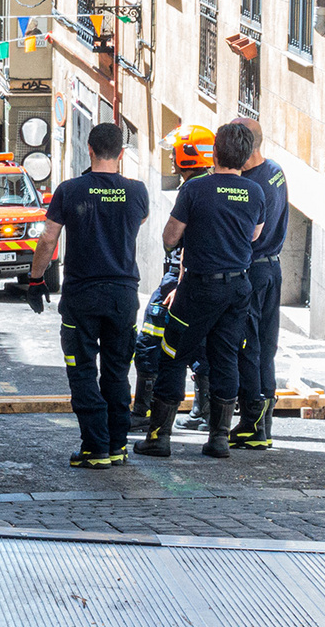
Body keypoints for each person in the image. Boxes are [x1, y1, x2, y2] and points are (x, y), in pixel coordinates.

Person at [136, 122, 264, 460]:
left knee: (173, 352)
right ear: (245, 156)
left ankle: (159, 436)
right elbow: (254, 235)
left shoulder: (195, 190)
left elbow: (170, 237)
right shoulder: (255, 192)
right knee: (225, 358)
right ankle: (219, 438)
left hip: (199, 287)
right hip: (238, 286)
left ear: (215, 154)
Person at [26, 122, 149, 468]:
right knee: (117, 371)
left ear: (90, 151)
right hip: (123, 294)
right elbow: (137, 222)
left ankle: (95, 447)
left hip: (83, 295)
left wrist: (36, 281)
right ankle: (117, 445)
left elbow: (48, 239)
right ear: (121, 154)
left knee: (81, 371)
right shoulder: (138, 191)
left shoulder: (70, 190)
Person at [129, 125, 216, 433]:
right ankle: (203, 414)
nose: (172, 160)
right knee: (199, 347)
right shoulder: (212, 185)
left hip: (179, 280)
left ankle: (144, 413)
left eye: (174, 153)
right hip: (195, 279)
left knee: (150, 343)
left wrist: (178, 283)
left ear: (186, 156)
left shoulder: (194, 189)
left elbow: (173, 241)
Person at [230, 118, 288, 450]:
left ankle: (253, 424)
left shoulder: (251, 185)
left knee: (248, 348)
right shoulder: (276, 170)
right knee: (266, 349)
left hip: (252, 270)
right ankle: (263, 425)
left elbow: (246, 234)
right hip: (272, 269)